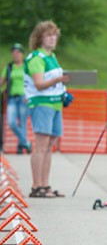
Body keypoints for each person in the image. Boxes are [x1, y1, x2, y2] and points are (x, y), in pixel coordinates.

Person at [24, 21, 71, 198]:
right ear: (40, 38)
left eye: (54, 35)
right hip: (42, 104)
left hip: (55, 103)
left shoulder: (52, 57)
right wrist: (59, 80)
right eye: (48, 35)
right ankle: (37, 185)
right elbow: (39, 83)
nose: (52, 39)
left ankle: (45, 184)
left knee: (49, 145)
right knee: (41, 146)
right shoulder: (37, 58)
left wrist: (63, 91)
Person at [1, 44, 30, 154]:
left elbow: (33, 81)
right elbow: (2, 81)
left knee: (22, 123)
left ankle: (20, 146)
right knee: (11, 122)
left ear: (22, 54)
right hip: (12, 97)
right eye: (13, 52)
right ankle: (25, 142)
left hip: (24, 97)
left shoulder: (27, 66)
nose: (15, 54)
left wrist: (30, 95)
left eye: (18, 52)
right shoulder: (9, 67)